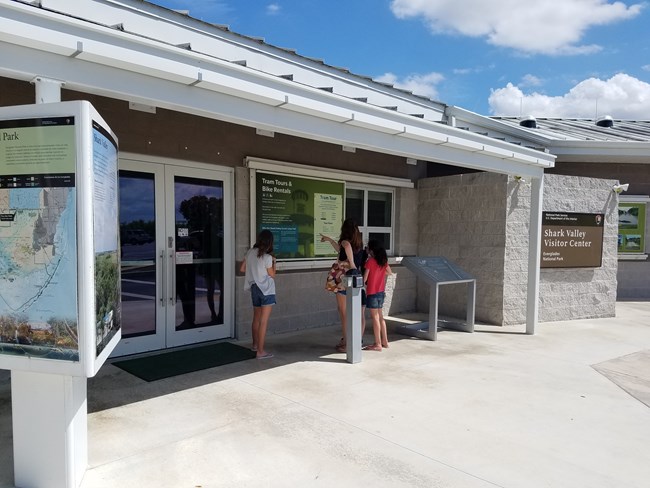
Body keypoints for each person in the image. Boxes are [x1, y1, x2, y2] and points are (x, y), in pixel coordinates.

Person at [320, 218, 366, 352]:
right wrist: (329, 240)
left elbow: (345, 247)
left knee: (343, 312)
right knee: (350, 311)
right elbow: (341, 249)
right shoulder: (358, 244)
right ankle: (352, 340)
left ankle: (347, 341)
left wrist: (349, 263)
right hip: (353, 279)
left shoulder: (346, 242)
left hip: (343, 280)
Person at [239, 229, 276, 359]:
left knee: (256, 319)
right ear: (270, 242)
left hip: (254, 288)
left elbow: (242, 269)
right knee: (263, 322)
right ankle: (260, 351)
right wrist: (274, 263)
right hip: (266, 290)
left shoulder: (250, 252)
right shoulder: (267, 257)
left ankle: (255, 345)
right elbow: (272, 275)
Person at [362, 239, 392, 351]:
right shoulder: (383, 261)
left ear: (372, 250)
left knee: (374, 317)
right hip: (381, 292)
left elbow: (365, 278)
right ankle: (385, 341)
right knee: (381, 317)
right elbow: (389, 272)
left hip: (372, 292)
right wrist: (380, 274)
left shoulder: (370, 261)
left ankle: (378, 343)